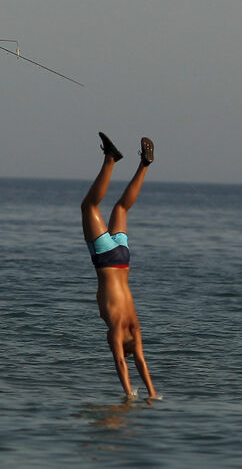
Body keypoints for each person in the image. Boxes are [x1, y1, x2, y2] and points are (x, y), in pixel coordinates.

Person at [81, 132, 159, 400]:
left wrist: (152, 392)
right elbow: (123, 363)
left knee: (121, 209)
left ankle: (144, 164)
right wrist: (129, 393)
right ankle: (110, 159)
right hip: (107, 260)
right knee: (89, 205)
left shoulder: (134, 327)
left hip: (124, 260)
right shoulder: (116, 329)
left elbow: (141, 361)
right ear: (120, 345)